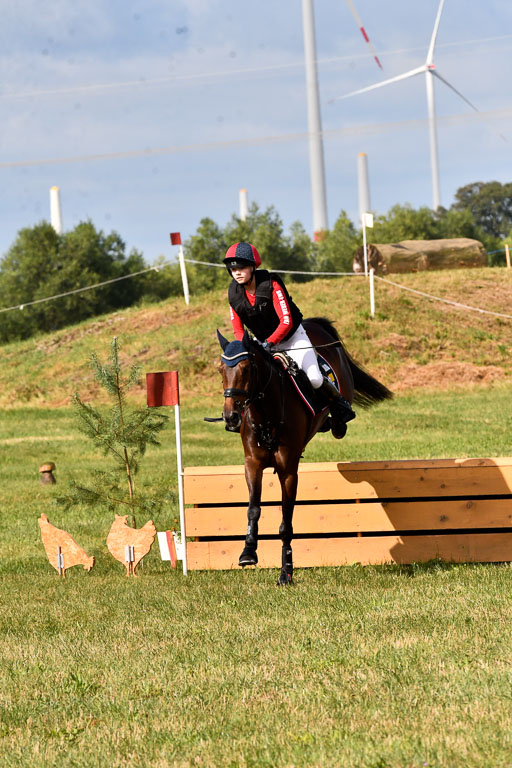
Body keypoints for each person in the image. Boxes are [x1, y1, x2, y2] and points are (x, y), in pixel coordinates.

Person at [223, 241, 355, 429]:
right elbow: (238, 329)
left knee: (314, 378)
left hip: (292, 339)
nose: (237, 272)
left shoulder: (271, 285)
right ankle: (239, 418)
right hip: (262, 344)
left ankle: (338, 407)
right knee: (249, 380)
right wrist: (245, 348)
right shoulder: (234, 294)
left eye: (242, 267)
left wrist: (269, 343)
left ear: (253, 267)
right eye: (233, 268)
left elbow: (286, 321)